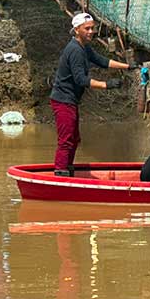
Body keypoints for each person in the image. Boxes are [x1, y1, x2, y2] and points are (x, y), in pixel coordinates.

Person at [51, 12, 135, 177]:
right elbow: (81, 79)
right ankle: (61, 171)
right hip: (62, 100)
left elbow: (101, 61)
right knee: (66, 139)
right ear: (76, 30)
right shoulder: (74, 50)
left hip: (71, 100)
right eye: (87, 29)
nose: (91, 32)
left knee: (74, 139)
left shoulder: (84, 46)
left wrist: (127, 67)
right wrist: (107, 85)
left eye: (92, 28)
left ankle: (68, 168)